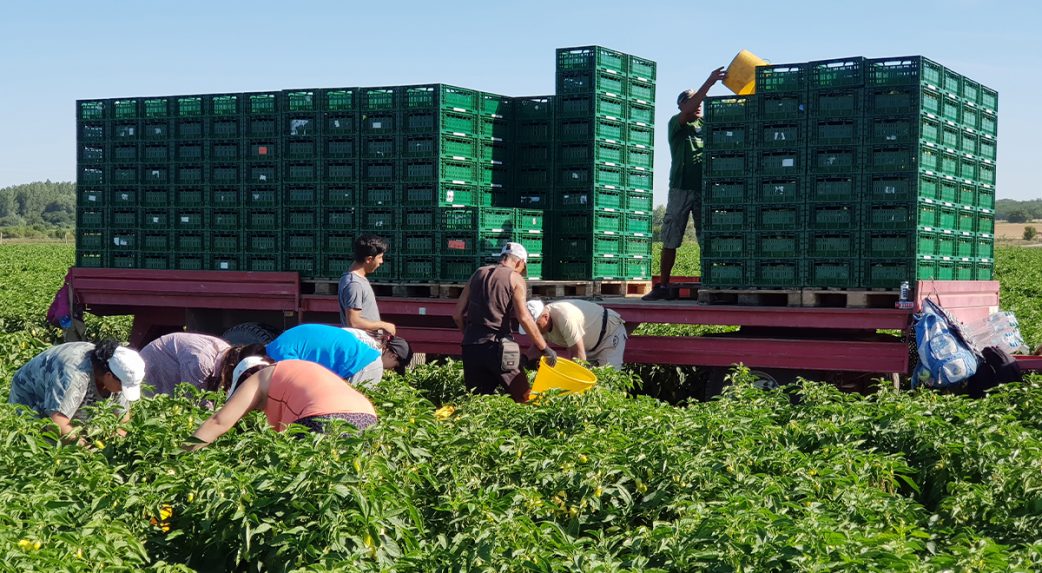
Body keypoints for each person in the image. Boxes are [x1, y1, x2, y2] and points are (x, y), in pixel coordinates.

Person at [644, 67, 728, 301]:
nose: (697, 105)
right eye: (690, 101)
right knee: (671, 236)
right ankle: (663, 285)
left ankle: (710, 281)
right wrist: (709, 82)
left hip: (704, 189)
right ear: (681, 106)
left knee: (706, 238)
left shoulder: (707, 129)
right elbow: (691, 108)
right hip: (681, 188)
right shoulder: (676, 124)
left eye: (699, 101)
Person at [185, 357, 378, 449]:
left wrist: (179, 457)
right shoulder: (295, 370)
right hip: (367, 417)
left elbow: (219, 422)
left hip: (322, 417)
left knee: (303, 491)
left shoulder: (259, 379)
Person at [453, 242, 556, 403]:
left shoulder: (477, 273)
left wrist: (470, 336)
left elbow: (457, 315)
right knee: (526, 399)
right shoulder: (515, 279)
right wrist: (544, 348)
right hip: (499, 348)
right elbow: (524, 317)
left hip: (471, 348)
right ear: (520, 262)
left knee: (476, 405)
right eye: (523, 267)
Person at [8, 340, 145, 440]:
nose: (122, 390)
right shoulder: (74, 374)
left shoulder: (116, 371)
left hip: (67, 388)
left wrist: (115, 441)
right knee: (42, 440)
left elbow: (123, 419)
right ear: (108, 376)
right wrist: (88, 451)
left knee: (81, 425)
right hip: (32, 396)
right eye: (122, 386)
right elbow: (57, 424)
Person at [262, 323, 411, 387]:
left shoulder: (281, 348)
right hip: (365, 363)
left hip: (360, 363)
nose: (389, 371)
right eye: (394, 367)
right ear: (393, 356)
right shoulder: (281, 351)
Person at [522, 299, 627, 369]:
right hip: (588, 345)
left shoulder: (565, 318)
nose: (532, 330)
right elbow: (537, 348)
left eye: (535, 325)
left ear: (545, 317)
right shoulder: (541, 324)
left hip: (608, 335)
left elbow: (579, 356)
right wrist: (523, 361)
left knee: (608, 381)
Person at [138, 332, 232, 395]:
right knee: (158, 400)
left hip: (177, 357)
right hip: (156, 359)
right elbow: (194, 397)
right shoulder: (201, 363)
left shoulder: (227, 351)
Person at [339, 234, 397, 336]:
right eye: (379, 257)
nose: (381, 262)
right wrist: (383, 325)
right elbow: (354, 322)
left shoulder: (353, 278)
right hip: (364, 347)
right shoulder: (354, 284)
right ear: (369, 259)